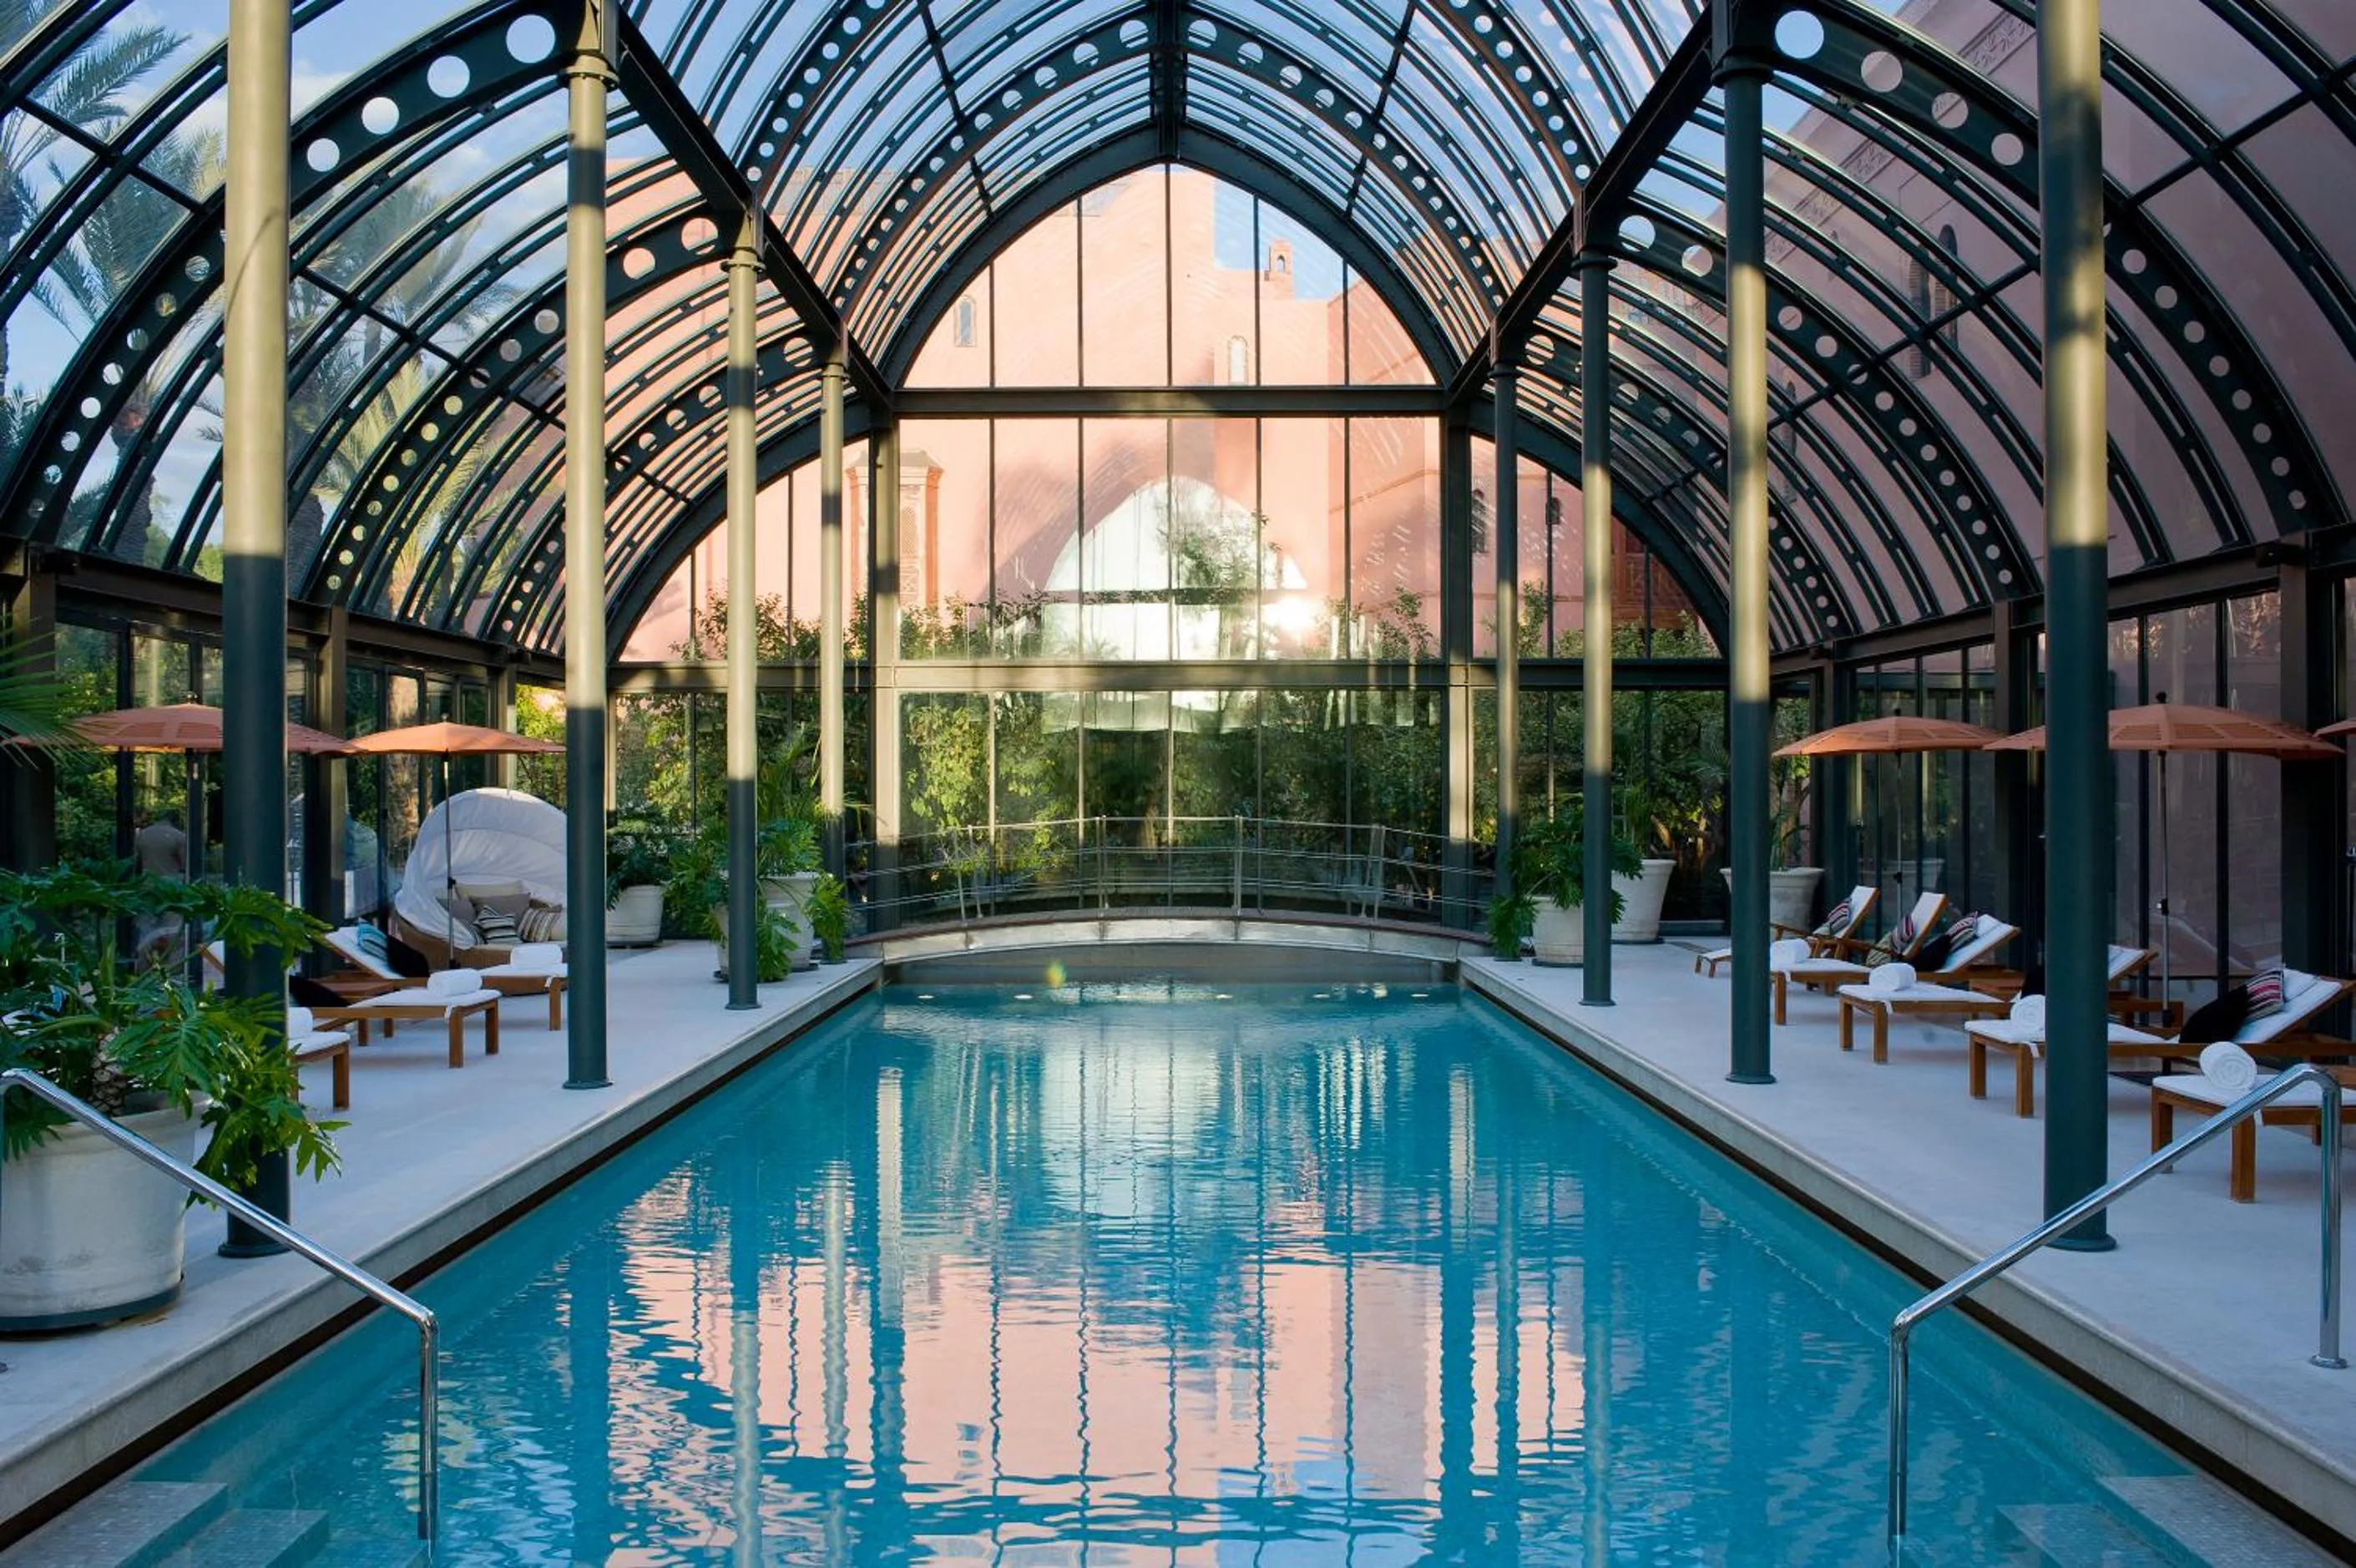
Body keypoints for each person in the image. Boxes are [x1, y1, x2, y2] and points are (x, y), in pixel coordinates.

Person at [133, 808, 190, 967]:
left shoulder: (142, 835)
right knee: (171, 930)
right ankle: (171, 967)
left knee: (146, 928)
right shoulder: (179, 837)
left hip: (147, 885)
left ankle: (143, 965)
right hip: (171, 888)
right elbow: (185, 865)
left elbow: (136, 863)